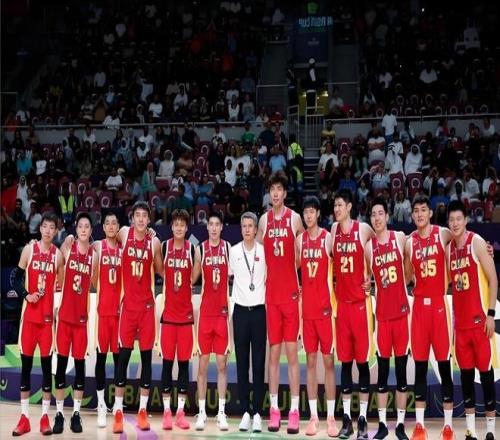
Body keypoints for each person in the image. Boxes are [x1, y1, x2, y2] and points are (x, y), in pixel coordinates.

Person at [404, 195, 454, 440]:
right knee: (420, 368)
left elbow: (464, 239)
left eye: (423, 210)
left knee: (445, 367)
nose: (420, 214)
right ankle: (420, 426)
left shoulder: (443, 234)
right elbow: (405, 277)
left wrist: (486, 247)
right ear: (412, 215)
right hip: (419, 310)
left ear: (430, 213)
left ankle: (448, 426)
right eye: (416, 210)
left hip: (439, 307)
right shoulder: (409, 242)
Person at [256, 171, 304, 434]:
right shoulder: (263, 220)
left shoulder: (294, 218)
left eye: (279, 189)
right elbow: (256, 255)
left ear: (285, 193)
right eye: (272, 189)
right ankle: (274, 410)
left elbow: (304, 251)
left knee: (292, 356)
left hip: (291, 297)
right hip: (271, 298)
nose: (275, 193)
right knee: (273, 356)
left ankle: (294, 411)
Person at [446, 201, 497, 440]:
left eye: (459, 219)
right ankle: (470, 431)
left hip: (480, 325)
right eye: (451, 219)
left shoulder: (476, 242)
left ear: (466, 220)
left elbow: (493, 279)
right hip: (461, 328)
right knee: (466, 380)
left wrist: (491, 314)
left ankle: (490, 431)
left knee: (485, 377)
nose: (455, 223)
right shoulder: (448, 250)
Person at [112, 202, 163, 433]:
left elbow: (161, 270)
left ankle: (143, 411)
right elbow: (108, 234)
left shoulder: (154, 242)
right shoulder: (124, 233)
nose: (141, 219)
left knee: (146, 359)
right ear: (132, 218)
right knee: (122, 358)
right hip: (128, 308)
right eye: (138, 215)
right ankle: (118, 411)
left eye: (145, 216)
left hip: (147, 307)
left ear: (149, 220)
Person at [12, 212, 64, 436]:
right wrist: (26, 295)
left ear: (56, 231)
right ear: (40, 228)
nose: (48, 231)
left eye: (52, 227)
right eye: (45, 227)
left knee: (45, 370)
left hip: (47, 323)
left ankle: (44, 418)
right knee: (25, 368)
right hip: (29, 321)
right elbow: (15, 278)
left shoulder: (58, 256)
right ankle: (24, 418)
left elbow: (61, 284)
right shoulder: (29, 250)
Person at [330, 189, 374, 439]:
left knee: (362, 363)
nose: (336, 209)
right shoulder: (333, 231)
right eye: (334, 205)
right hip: (342, 307)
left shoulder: (363, 229)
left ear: (348, 207)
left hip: (360, 306)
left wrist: (372, 279)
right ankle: (346, 419)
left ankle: (363, 420)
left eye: (340, 205)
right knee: (345, 363)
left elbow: (383, 244)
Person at [364, 198, 410, 440]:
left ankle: (400, 425)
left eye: (380, 213)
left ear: (387, 216)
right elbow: (364, 278)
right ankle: (382, 424)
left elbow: (414, 257)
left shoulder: (400, 238)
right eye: (373, 214)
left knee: (401, 373)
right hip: (382, 318)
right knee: (382, 374)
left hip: (401, 315)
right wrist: (366, 285)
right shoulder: (368, 248)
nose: (377, 217)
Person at [296, 197, 339, 436]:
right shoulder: (300, 240)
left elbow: (342, 266)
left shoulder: (327, 238)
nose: (308, 216)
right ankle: (313, 417)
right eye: (305, 212)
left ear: (318, 214)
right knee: (310, 363)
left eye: (312, 212)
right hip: (308, 312)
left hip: (325, 310)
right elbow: (293, 268)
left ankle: (331, 417)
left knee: (329, 362)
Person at [53, 212, 98, 434]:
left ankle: (77, 414)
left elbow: (95, 283)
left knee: (80, 367)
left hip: (81, 321)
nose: (83, 229)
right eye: (80, 226)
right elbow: (54, 259)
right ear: (76, 229)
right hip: (64, 319)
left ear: (91, 231)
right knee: (61, 366)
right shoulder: (68, 247)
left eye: (87, 227)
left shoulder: (94, 256)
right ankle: (59, 413)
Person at [158, 209, 201, 431]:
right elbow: (159, 269)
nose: (179, 228)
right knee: (167, 365)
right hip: (168, 317)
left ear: (186, 227)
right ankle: (167, 412)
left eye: (182, 225)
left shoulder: (192, 249)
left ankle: (180, 413)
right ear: (172, 227)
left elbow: (195, 275)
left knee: (184, 366)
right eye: (175, 224)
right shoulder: (164, 247)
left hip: (185, 318)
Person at [229, 212, 267, 433]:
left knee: (259, 364)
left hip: (259, 312)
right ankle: (245, 411)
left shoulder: (264, 251)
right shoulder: (234, 251)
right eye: (244, 226)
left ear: (256, 229)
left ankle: (258, 412)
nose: (247, 229)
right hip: (241, 312)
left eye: (250, 226)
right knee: (242, 364)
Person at [194, 212, 231, 431]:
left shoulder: (228, 248)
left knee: (222, 365)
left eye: (218, 224)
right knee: (203, 366)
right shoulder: (200, 249)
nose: (214, 228)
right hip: (205, 315)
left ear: (222, 227)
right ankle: (202, 413)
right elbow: (192, 278)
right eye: (211, 224)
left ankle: (221, 412)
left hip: (222, 316)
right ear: (207, 227)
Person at [93, 212, 122, 428]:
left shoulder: (125, 247)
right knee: (101, 359)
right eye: (107, 223)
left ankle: (118, 405)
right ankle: (101, 403)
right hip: (103, 312)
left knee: (119, 361)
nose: (111, 226)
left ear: (118, 227)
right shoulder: (98, 247)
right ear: (103, 227)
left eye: (114, 223)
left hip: (120, 314)